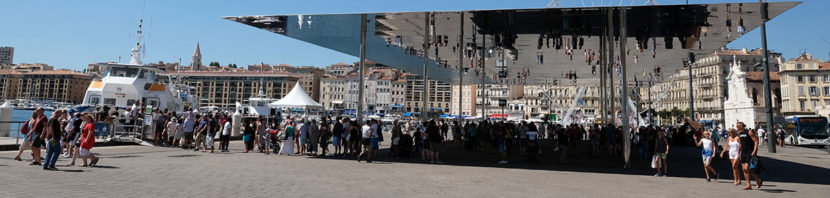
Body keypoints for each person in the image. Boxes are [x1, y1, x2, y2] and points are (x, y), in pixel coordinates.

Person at [737, 122, 763, 190]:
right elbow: (740, 144)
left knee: (747, 168)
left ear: (742, 126)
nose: (737, 127)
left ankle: (758, 180)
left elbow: (756, 141)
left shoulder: (749, 132)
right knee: (744, 169)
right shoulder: (740, 134)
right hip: (743, 152)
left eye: (738, 126)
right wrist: (738, 152)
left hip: (749, 152)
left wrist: (754, 151)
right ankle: (749, 185)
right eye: (737, 126)